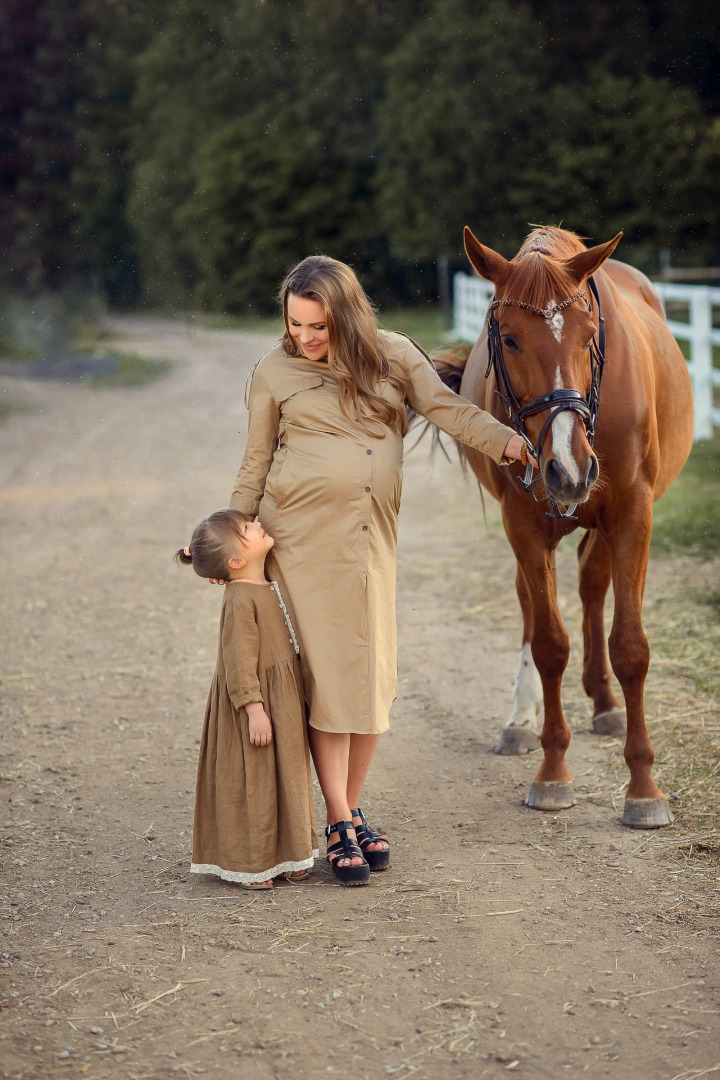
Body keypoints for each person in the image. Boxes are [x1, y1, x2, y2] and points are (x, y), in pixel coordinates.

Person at [228, 256, 529, 886]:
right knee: (331, 680)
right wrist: (233, 539)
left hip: (370, 540)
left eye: (318, 327)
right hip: (300, 545)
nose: (305, 339)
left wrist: (507, 440)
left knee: (369, 682)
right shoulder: (274, 371)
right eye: (295, 325)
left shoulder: (392, 357)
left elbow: (448, 409)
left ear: (348, 316)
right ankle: (341, 819)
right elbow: (255, 462)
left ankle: (348, 807)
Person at [176, 509, 317, 890]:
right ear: (237, 561)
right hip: (256, 703)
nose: (257, 523)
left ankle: (292, 854)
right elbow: (237, 660)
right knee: (253, 782)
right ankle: (252, 863)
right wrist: (253, 709)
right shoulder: (240, 599)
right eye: (247, 528)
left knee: (288, 775)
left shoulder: (268, 582)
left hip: (282, 699)